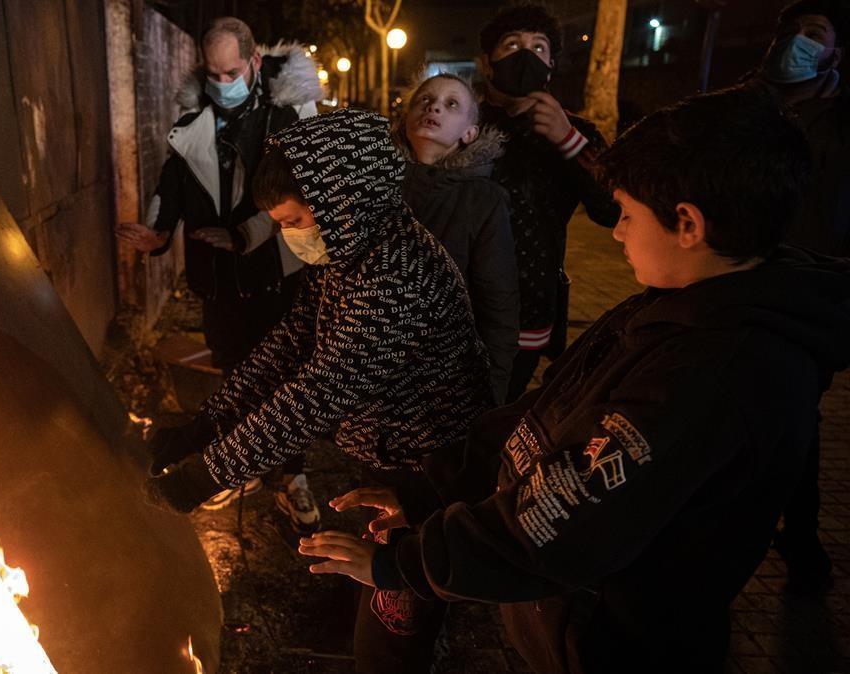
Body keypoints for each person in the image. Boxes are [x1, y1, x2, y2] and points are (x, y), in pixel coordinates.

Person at [300, 85, 850, 673]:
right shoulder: (668, 306)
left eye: (629, 215)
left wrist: (399, 565)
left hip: (619, 647)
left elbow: (564, 516)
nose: (616, 233)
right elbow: (544, 415)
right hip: (570, 629)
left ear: (687, 224)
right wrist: (428, 491)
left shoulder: (718, 374)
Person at [144, 108, 494, 672]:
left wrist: (204, 474)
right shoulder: (350, 253)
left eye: (294, 219)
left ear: (342, 198)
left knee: (394, 628)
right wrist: (200, 428)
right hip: (392, 455)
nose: (289, 235)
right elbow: (288, 347)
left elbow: (314, 395)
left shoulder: (395, 274)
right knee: (383, 593)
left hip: (433, 470)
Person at [115, 17, 323, 522]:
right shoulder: (193, 121)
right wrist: (157, 232)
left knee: (284, 379)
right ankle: (238, 465)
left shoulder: (289, 115)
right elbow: (173, 181)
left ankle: (291, 474)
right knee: (235, 370)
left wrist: (244, 235)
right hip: (217, 281)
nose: (223, 83)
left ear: (254, 62)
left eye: (232, 71)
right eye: (213, 73)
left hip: (276, 273)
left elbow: (299, 191)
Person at [474, 3, 620, 403]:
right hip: (458, 306)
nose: (526, 55)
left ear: (552, 65)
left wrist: (567, 139)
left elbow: (613, 209)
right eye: (512, 45)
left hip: (528, 308)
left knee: (496, 413)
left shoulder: (577, 134)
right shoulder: (462, 124)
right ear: (487, 63)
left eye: (539, 48)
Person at [754, 0, 848, 594]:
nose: (798, 42)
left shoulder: (844, 121)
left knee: (792, 413)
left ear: (835, 52)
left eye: (814, 34)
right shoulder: (743, 107)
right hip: (736, 277)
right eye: (791, 31)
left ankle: (802, 531)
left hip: (813, 287)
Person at [393, 72, 519, 404]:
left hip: (445, 383)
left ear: (469, 133)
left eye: (451, 104)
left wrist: (491, 391)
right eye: (425, 99)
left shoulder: (483, 200)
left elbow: (498, 304)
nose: (434, 107)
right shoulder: (378, 185)